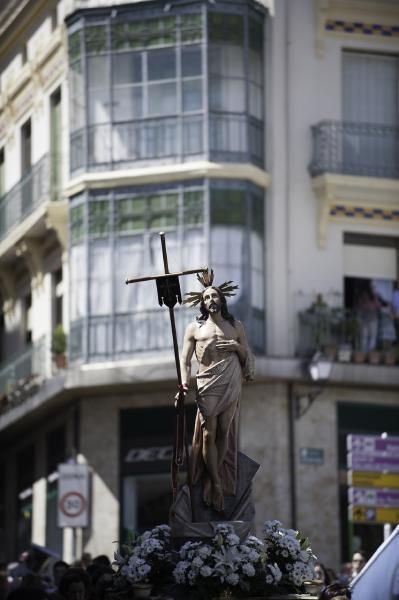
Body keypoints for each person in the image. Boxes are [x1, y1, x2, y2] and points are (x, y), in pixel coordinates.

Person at [180, 274, 254, 512]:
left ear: (221, 300)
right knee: (208, 434)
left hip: (231, 381)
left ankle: (215, 481)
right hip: (206, 383)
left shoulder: (235, 327)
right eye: (207, 297)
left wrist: (236, 347)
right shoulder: (195, 328)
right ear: (202, 303)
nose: (211, 299)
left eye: (214, 295)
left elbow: (246, 356)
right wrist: (183, 382)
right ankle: (214, 481)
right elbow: (185, 359)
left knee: (224, 431)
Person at [355, 282, 380, 353]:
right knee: (370, 336)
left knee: (366, 336)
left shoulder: (371, 295)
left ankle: (366, 352)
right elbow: (377, 306)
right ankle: (368, 352)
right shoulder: (370, 295)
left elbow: (358, 307)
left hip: (368, 318)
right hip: (370, 318)